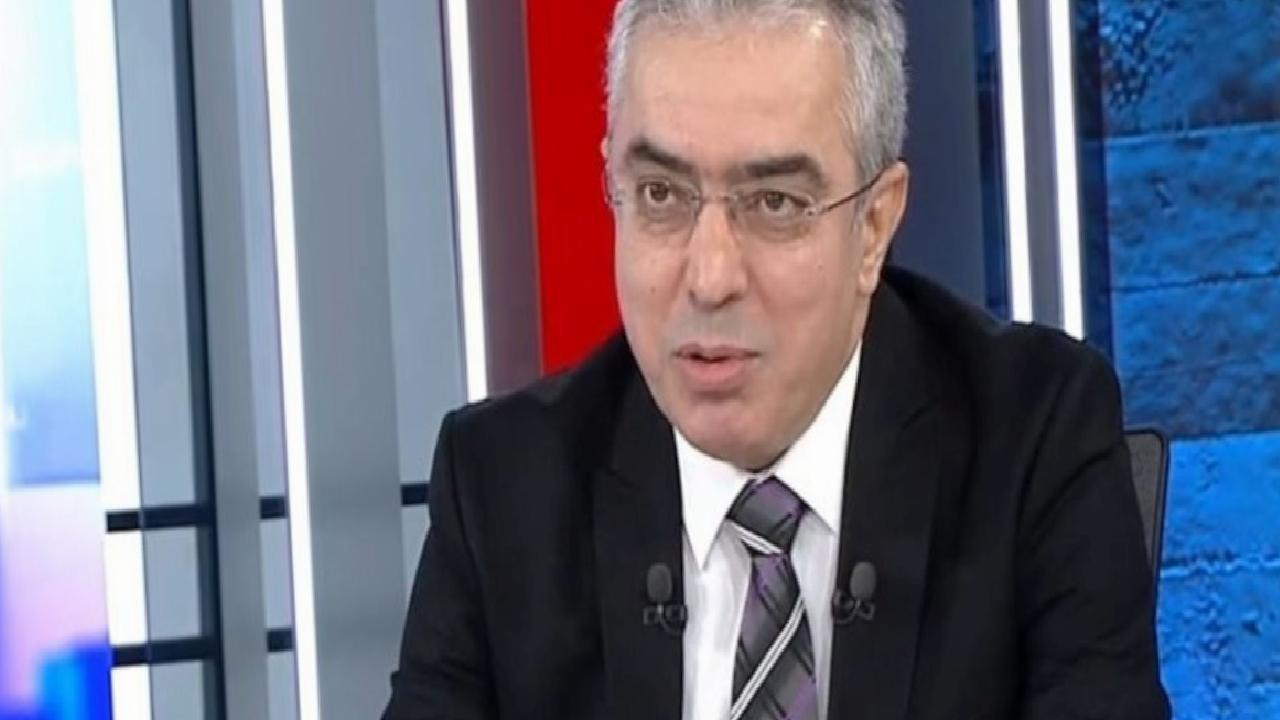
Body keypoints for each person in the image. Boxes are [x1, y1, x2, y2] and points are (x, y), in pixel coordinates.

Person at [383, 1, 1170, 718]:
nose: (710, 277)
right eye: (660, 194)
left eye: (775, 204)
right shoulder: (501, 489)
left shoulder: (1032, 441)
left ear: (874, 226)